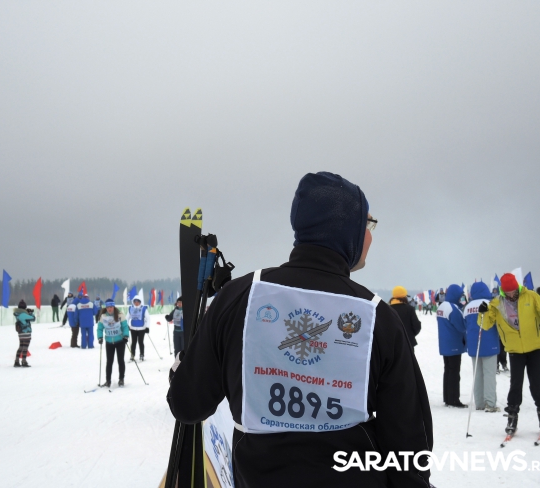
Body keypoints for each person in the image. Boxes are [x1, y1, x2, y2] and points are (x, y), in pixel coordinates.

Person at [167, 172, 433, 487]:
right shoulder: (377, 316)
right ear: (348, 229)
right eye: (368, 225)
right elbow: (408, 443)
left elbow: (188, 404)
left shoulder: (239, 297)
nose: (371, 237)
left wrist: (184, 368)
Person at [478, 273, 540, 434]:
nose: (511, 295)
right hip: (514, 349)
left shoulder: (531, 297)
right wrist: (482, 313)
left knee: (537, 383)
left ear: (518, 287)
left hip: (535, 347)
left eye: (513, 291)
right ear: (502, 291)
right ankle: (512, 417)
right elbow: (485, 325)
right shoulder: (497, 303)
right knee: (515, 384)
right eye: (507, 292)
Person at [463, 282, 500, 412]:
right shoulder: (491, 304)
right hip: (490, 343)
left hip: (474, 344)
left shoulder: (468, 307)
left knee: (477, 375)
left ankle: (479, 403)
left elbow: (465, 324)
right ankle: (490, 403)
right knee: (489, 374)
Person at [436, 284, 467, 408]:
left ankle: (448, 398)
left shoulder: (442, 306)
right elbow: (461, 326)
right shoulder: (453, 308)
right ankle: (454, 399)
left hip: (445, 343)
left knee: (448, 371)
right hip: (454, 343)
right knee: (454, 372)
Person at [97, 299, 129, 387]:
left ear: (113, 307)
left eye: (111, 307)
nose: (109, 309)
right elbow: (100, 328)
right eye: (108, 307)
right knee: (109, 362)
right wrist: (100, 337)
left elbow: (125, 327)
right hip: (109, 342)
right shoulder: (103, 316)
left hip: (120, 341)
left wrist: (126, 336)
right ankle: (108, 381)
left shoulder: (120, 314)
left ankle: (121, 379)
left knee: (120, 361)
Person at [13, 300, 35, 367]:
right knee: (25, 348)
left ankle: (16, 361)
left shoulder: (18, 314)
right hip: (26, 333)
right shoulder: (23, 314)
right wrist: (30, 313)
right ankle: (24, 361)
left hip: (20, 333)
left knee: (21, 347)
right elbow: (33, 318)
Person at [127, 297, 150, 361]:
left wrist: (147, 327)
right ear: (133, 302)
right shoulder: (131, 308)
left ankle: (142, 355)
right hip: (133, 328)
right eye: (135, 302)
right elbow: (127, 317)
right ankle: (132, 355)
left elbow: (148, 318)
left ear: (140, 302)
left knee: (140, 342)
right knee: (133, 342)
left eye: (138, 302)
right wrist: (127, 325)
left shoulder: (143, 308)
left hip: (141, 328)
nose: (136, 303)